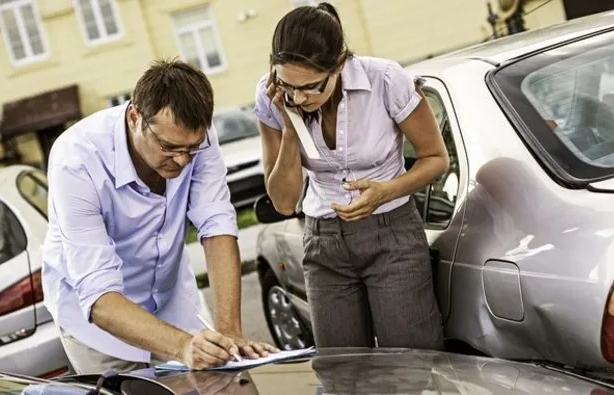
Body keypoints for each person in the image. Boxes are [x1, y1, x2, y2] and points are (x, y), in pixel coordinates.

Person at [42, 58, 277, 374]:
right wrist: (182, 347)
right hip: (100, 326)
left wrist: (229, 333)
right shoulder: (75, 161)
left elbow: (217, 225)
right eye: (169, 147)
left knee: (219, 380)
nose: (182, 161)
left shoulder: (197, 137)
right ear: (135, 116)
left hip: (171, 302)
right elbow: (99, 296)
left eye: (191, 149)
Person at [254, 3, 449, 349]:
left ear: (339, 64)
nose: (298, 97)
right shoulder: (273, 98)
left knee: (412, 365)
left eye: (311, 86)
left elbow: (435, 159)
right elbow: (284, 202)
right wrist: (289, 126)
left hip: (392, 238)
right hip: (323, 245)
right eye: (287, 86)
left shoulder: (386, 80)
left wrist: (386, 192)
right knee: (343, 371)